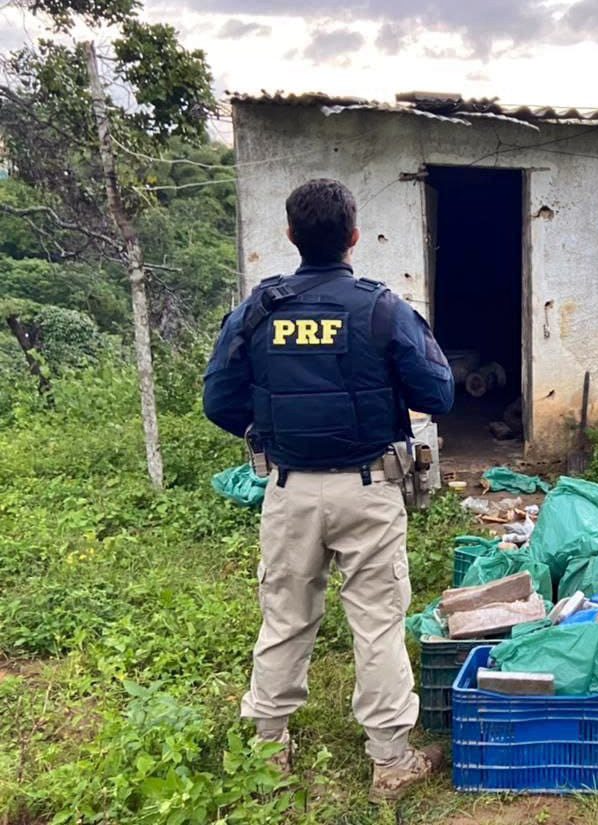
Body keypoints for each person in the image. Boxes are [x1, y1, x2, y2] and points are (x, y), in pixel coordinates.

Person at [203, 178, 455, 802]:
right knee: (378, 623)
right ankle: (390, 762)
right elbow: (438, 393)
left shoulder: (258, 310)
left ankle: (268, 752)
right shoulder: (382, 309)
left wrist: (272, 427)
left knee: (285, 618)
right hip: (369, 489)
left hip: (288, 490)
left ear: (291, 235)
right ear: (354, 237)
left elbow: (218, 400)